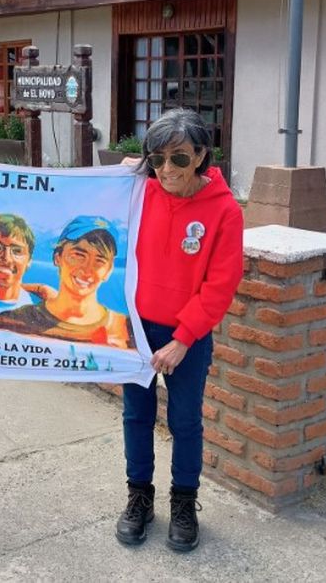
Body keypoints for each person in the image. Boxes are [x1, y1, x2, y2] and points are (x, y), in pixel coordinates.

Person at [115, 108, 243, 552]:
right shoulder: (139, 192)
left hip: (187, 337)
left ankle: (184, 503)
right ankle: (139, 497)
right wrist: (121, 175)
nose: (167, 170)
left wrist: (183, 338)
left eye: (180, 158)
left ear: (202, 155)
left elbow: (220, 284)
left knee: (184, 421)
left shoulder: (224, 211)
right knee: (136, 416)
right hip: (137, 329)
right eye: (157, 159)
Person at [0, 216, 133, 349]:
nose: (87, 269)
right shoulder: (10, 323)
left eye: (99, 261)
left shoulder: (127, 330)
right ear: (57, 257)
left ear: (108, 270)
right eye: (78, 255)